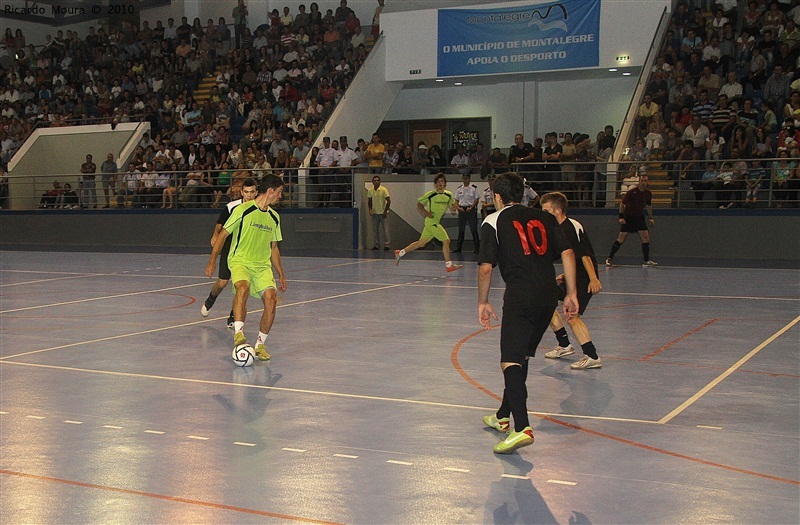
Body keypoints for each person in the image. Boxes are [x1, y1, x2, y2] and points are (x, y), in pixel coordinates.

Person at [478, 173, 578, 454]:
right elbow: (568, 253)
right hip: (547, 297)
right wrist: (570, 294)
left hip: (520, 296)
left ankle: (521, 427)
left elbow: (486, 268)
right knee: (521, 356)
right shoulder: (544, 217)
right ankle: (501, 417)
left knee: (510, 360)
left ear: (497, 197)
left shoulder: (493, 221)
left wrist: (482, 301)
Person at [205, 174, 287, 361]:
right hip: (240, 261)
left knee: (271, 299)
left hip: (262, 266)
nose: (280, 196)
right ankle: (239, 333)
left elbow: (274, 248)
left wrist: (281, 274)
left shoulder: (275, 217)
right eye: (280, 192)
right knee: (243, 287)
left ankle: (260, 345)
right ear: (270, 191)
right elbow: (223, 235)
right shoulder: (243, 210)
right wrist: (212, 261)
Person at [540, 192, 603, 370]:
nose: (543, 214)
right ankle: (564, 345)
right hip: (574, 275)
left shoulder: (569, 227)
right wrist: (565, 275)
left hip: (584, 277)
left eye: (546, 210)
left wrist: (593, 278)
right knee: (547, 302)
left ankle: (592, 355)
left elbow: (584, 256)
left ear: (557, 210)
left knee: (572, 316)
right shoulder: (557, 228)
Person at [201, 178, 258, 327]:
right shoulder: (232, 206)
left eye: (252, 192)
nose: (249, 195)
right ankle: (210, 300)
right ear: (241, 192)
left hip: (247, 253)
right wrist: (215, 235)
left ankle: (233, 317)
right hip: (230, 248)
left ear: (256, 192)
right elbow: (220, 223)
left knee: (242, 285)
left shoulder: (260, 209)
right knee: (222, 282)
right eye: (246, 192)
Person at [394, 173, 462, 272]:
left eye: (442, 181)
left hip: (434, 223)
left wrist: (455, 206)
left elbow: (453, 208)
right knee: (446, 241)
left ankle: (400, 253)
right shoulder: (431, 194)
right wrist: (426, 213)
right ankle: (449, 265)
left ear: (445, 183)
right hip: (431, 222)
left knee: (421, 244)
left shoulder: (449, 195)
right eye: (438, 182)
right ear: (435, 184)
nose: (440, 183)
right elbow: (419, 203)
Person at [605, 175, 657, 267]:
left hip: (639, 218)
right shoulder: (631, 192)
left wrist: (650, 217)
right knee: (620, 239)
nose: (644, 183)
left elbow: (649, 206)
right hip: (629, 218)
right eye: (642, 181)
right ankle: (609, 258)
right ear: (639, 182)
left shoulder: (648, 193)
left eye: (646, 181)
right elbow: (622, 204)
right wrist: (621, 217)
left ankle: (646, 260)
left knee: (645, 238)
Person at [453, 173, 480, 253]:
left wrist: (471, 207)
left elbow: (476, 200)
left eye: (467, 178)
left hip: (470, 209)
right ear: (462, 179)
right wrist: (458, 207)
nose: (465, 180)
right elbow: (456, 200)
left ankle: (477, 248)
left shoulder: (473, 188)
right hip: (462, 209)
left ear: (469, 179)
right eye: (464, 178)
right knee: (461, 230)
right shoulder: (459, 189)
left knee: (473, 229)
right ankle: (459, 248)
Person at [367, 175, 391, 250]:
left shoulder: (384, 190)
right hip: (375, 213)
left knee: (386, 230)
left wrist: (385, 211)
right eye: (375, 180)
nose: (376, 182)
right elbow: (369, 201)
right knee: (375, 230)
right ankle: (376, 245)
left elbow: (388, 201)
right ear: (372, 182)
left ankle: (387, 245)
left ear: (380, 181)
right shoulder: (370, 190)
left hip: (383, 213)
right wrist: (370, 209)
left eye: (377, 180)